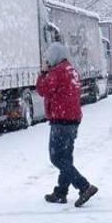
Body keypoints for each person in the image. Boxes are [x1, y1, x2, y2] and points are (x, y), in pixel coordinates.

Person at [35, 42, 98, 207]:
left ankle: (84, 186)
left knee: (56, 158)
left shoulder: (57, 72)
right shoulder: (71, 70)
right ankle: (61, 192)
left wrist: (43, 73)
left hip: (61, 120)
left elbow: (43, 90)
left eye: (49, 57)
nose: (47, 61)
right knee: (66, 158)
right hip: (73, 119)